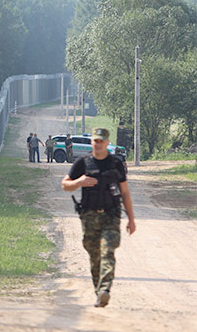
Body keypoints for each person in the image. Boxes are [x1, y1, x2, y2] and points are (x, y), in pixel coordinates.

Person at [61, 128, 136, 308]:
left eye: (102, 141)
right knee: (94, 256)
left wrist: (131, 219)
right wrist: (79, 182)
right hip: (89, 217)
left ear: (107, 142)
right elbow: (65, 185)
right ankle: (99, 292)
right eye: (96, 141)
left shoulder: (115, 164)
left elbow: (125, 192)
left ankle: (105, 289)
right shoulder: (83, 163)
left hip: (111, 215)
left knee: (107, 251)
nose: (99, 144)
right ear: (92, 142)